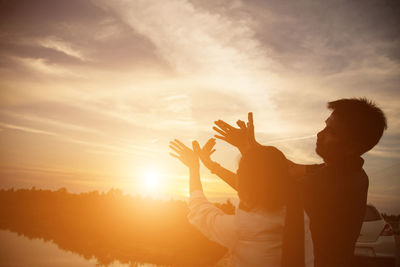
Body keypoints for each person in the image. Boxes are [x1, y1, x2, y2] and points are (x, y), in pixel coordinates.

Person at [208, 98, 387, 267]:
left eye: (331, 132)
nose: (320, 134)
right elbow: (290, 168)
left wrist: (213, 166)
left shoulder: (326, 184)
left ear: (352, 147)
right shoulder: (351, 172)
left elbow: (254, 190)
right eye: (325, 126)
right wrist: (250, 146)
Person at [169, 139, 314, 267]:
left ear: (247, 184)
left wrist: (194, 167)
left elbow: (199, 209)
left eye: (240, 173)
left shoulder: (243, 229)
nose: (237, 177)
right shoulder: (300, 213)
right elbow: (265, 181)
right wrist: (211, 165)